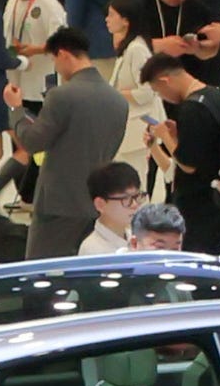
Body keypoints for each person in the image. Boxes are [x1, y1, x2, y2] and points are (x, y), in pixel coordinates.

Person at [13, 28, 134, 260]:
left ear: (63, 54)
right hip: (96, 202)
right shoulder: (118, 101)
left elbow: (32, 142)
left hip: (57, 203)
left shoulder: (61, 95)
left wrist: (15, 109)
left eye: (54, 60)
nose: (56, 68)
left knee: (42, 268)